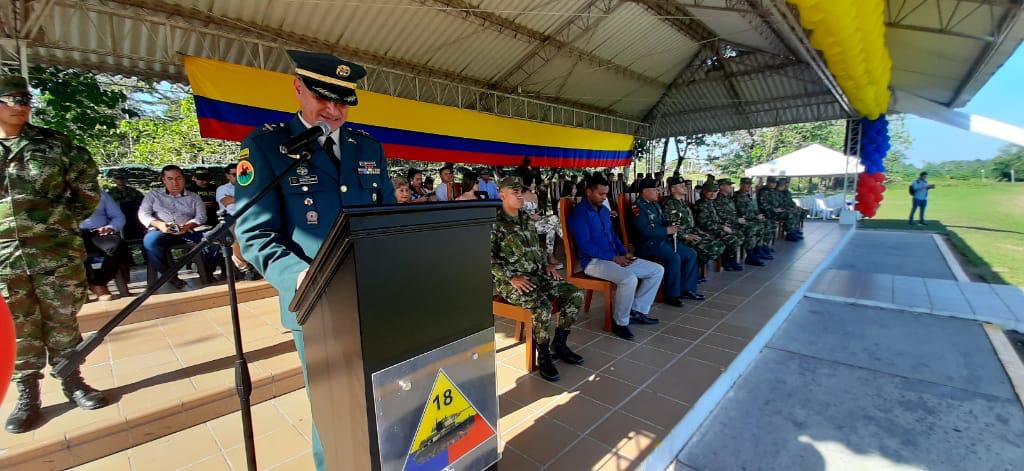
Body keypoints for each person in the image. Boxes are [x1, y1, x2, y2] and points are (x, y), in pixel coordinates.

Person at [234, 50, 395, 471]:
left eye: (343, 101)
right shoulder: (267, 146)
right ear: (298, 88)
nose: (334, 110)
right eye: (324, 98)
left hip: (374, 296)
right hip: (316, 300)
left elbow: (390, 220)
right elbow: (253, 234)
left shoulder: (367, 147)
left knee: (381, 396)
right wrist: (298, 275)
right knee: (334, 411)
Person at [0, 74, 108, 434]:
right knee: (17, 329)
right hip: (3, 260)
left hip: (55, 253)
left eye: (25, 98)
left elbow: (88, 191)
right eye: (13, 99)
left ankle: (73, 381)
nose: (23, 105)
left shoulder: (57, 144)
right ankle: (26, 395)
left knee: (63, 321)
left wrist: (57, 225)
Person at [492, 177, 584, 382]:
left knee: (575, 294)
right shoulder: (496, 225)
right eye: (514, 191)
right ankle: (542, 354)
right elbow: (487, 258)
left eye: (520, 191)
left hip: (538, 275)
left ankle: (559, 344)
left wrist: (546, 265)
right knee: (542, 307)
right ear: (502, 195)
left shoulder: (526, 219)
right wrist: (511, 277)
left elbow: (536, 249)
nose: (519, 194)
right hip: (512, 282)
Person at [568, 175, 664, 340]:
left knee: (656, 270)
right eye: (600, 194)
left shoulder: (604, 211)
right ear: (588, 191)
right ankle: (619, 322)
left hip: (614, 257)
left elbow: (612, 235)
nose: (604, 197)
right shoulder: (580, 214)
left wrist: (623, 252)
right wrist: (614, 258)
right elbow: (586, 246)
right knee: (629, 279)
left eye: (606, 194)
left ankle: (637, 310)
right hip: (593, 262)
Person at [139, 165, 217, 288]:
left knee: (214, 239)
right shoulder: (153, 196)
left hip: (188, 229)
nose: (175, 182)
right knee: (150, 242)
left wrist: (187, 226)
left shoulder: (194, 197)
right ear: (164, 180)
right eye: (170, 179)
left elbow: (201, 217)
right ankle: (171, 277)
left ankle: (207, 271)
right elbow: (143, 214)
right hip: (163, 230)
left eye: (178, 178)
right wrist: (160, 224)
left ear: (184, 179)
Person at [631, 179, 703, 308]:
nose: (658, 192)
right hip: (648, 245)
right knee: (674, 257)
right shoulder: (638, 207)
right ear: (645, 191)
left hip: (662, 241)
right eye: (655, 190)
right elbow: (644, 230)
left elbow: (662, 221)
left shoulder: (654, 204)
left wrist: (672, 225)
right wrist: (667, 230)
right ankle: (672, 295)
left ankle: (687, 289)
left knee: (690, 253)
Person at [662, 177, 724, 282]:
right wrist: (686, 236)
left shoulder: (682, 203)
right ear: (673, 189)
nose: (685, 188)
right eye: (681, 186)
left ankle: (693, 271)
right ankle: (690, 273)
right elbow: (671, 226)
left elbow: (691, 224)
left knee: (718, 244)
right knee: (711, 247)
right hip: (678, 238)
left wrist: (701, 233)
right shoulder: (670, 204)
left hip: (690, 233)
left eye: (684, 185)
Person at [80, 190, 128, 301]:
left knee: (118, 246)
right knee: (71, 251)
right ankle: (93, 288)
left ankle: (98, 283)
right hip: (72, 235)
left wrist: (111, 227)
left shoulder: (101, 194)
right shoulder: (58, 195)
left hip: (99, 233)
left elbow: (118, 216)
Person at [215, 163, 259, 281]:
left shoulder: (250, 185)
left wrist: (235, 199)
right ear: (227, 176)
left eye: (241, 174)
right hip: (231, 217)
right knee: (231, 235)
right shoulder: (223, 189)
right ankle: (245, 268)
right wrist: (247, 198)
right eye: (235, 174)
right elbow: (225, 201)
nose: (239, 177)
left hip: (252, 215)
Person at [714, 179, 767, 267]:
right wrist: (737, 220)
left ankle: (755, 252)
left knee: (759, 226)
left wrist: (740, 219)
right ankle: (747, 256)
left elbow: (733, 212)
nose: (731, 187)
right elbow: (722, 215)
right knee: (750, 228)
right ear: (721, 187)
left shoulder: (728, 198)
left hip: (736, 222)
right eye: (728, 185)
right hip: (729, 224)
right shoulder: (719, 199)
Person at [693, 183, 744, 271]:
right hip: (706, 230)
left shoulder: (711, 202)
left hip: (716, 228)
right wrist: (722, 227)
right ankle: (726, 261)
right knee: (732, 238)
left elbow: (717, 218)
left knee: (738, 235)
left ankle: (729, 259)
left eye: (715, 191)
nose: (713, 194)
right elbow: (705, 224)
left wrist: (723, 224)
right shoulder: (702, 204)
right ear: (704, 192)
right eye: (710, 192)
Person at [735, 177, 775, 260]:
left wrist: (759, 215)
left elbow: (753, 209)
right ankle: (750, 254)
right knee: (752, 228)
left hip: (751, 219)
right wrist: (755, 217)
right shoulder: (737, 196)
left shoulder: (747, 195)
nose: (749, 186)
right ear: (741, 184)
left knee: (766, 223)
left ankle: (759, 248)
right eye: (747, 184)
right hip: (743, 221)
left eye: (750, 184)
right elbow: (742, 212)